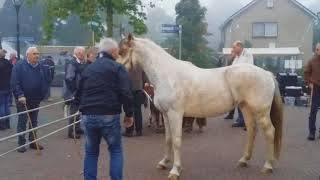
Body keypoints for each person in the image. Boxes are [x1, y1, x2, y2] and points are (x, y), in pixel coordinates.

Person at [74, 38, 134, 180]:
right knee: (115, 151)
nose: (118, 55)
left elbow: (79, 91)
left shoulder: (88, 68)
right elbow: (126, 92)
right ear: (113, 52)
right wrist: (129, 114)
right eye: (117, 52)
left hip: (88, 115)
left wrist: (77, 108)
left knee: (91, 153)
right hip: (109, 114)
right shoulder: (118, 68)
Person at [11, 47, 50, 153]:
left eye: (37, 53)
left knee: (34, 121)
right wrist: (20, 95)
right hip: (23, 99)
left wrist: (43, 94)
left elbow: (46, 80)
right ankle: (21, 143)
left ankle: (33, 141)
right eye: (34, 53)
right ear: (27, 55)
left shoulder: (41, 66)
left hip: (36, 99)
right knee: (22, 121)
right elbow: (15, 82)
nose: (37, 55)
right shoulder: (19, 66)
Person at [63, 47, 87, 139]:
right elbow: (69, 78)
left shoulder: (78, 63)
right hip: (73, 92)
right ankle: (71, 131)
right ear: (78, 53)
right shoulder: (72, 63)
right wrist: (74, 91)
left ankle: (77, 128)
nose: (83, 55)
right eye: (82, 53)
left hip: (78, 91)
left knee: (78, 110)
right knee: (73, 111)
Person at [230, 41, 254, 129]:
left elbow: (248, 67)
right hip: (238, 83)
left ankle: (250, 123)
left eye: (234, 47)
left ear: (240, 47)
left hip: (246, 82)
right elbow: (231, 68)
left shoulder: (247, 54)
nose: (233, 49)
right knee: (239, 102)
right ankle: (241, 121)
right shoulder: (236, 56)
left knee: (247, 103)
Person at [123, 65, 148, 137]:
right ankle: (139, 131)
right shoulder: (140, 65)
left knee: (128, 110)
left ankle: (129, 131)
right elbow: (145, 78)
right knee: (138, 110)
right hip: (138, 89)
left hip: (128, 90)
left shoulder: (126, 64)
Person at [304, 43, 320, 141]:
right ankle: (311, 132)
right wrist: (309, 82)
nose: (318, 51)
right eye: (317, 49)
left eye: (319, 49)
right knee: (313, 110)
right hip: (316, 87)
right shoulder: (311, 61)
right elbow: (306, 72)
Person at [0, 49, 13, 130]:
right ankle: (7, 123)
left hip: (0, 87)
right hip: (8, 87)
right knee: (7, 105)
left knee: (1, 106)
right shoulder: (9, 63)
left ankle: (2, 124)